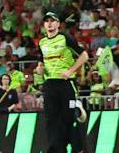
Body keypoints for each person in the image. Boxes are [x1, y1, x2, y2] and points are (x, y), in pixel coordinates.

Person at [35, 10, 89, 153]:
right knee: (51, 120)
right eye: (47, 21)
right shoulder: (42, 42)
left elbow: (84, 56)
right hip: (49, 84)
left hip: (66, 83)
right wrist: (40, 69)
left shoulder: (65, 38)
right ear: (44, 25)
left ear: (58, 24)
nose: (50, 24)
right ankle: (56, 150)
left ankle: (78, 148)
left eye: (52, 21)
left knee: (67, 119)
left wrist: (71, 71)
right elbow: (41, 62)